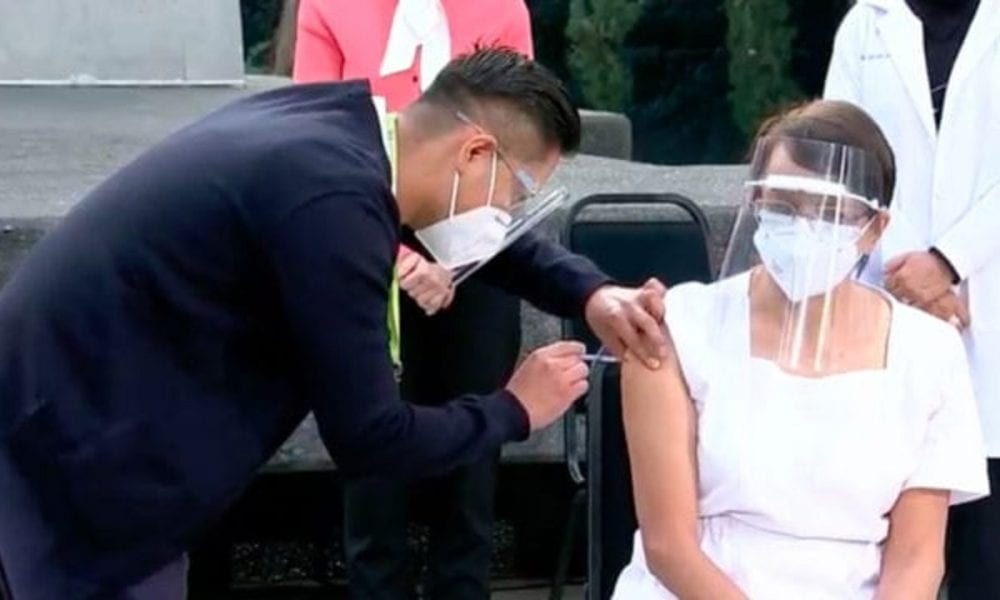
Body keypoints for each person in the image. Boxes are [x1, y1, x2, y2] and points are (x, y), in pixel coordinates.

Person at [0, 48, 668, 599]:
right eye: (516, 193)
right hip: (78, 470)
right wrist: (516, 409)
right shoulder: (333, 207)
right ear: (473, 153)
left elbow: (485, 243)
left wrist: (592, 294)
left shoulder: (337, 131)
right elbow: (372, 439)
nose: (507, 216)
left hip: (80, 428)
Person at [611, 99, 990, 599]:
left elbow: (917, 557)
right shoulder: (677, 326)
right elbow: (668, 546)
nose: (803, 226)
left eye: (828, 211)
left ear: (874, 227)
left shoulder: (930, 353)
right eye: (783, 204)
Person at [294, 2, 542, 597]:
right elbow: (317, 140)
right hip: (362, 231)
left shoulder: (502, 8)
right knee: (374, 458)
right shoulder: (328, 7)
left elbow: (514, 139)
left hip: (475, 236)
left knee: (474, 466)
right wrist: (401, 260)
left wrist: (453, 259)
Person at [823, 1, 1000, 596]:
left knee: (988, 554)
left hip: (988, 301)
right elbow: (840, 156)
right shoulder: (867, 22)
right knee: (892, 547)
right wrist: (913, 273)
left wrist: (950, 260)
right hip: (886, 296)